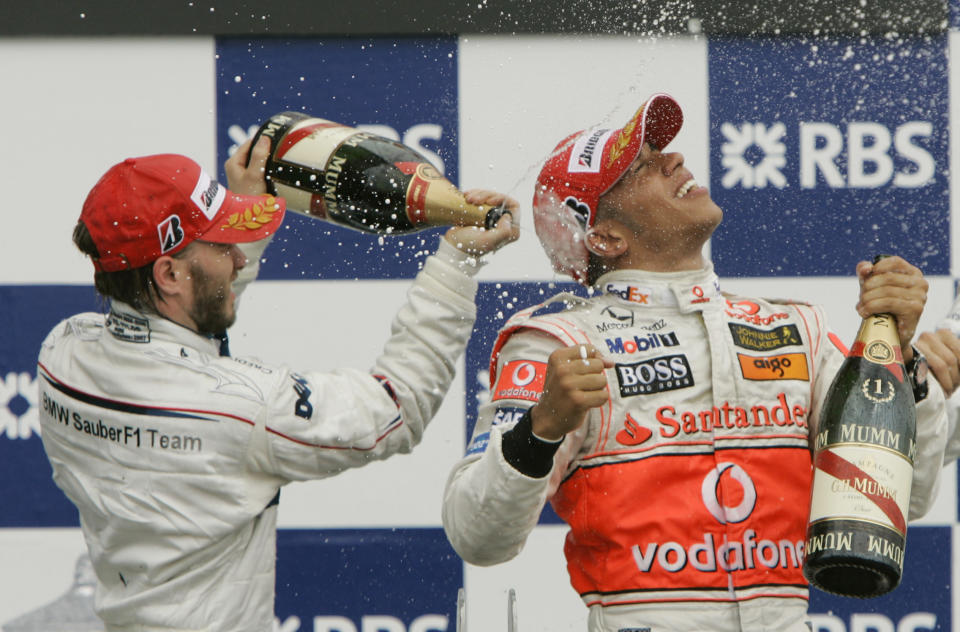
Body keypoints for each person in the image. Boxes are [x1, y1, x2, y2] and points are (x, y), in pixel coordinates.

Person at [441, 93, 948, 632]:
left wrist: (902, 357)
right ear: (604, 237)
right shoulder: (559, 341)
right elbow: (477, 535)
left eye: (662, 150)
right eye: (640, 167)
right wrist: (540, 429)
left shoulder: (797, 329)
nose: (673, 160)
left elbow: (899, 501)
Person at [37, 136, 519, 632]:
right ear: (169, 275)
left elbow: (181, 333)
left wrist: (241, 209)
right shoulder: (243, 411)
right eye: (224, 246)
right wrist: (456, 265)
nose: (240, 259)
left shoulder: (62, 355)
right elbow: (395, 407)